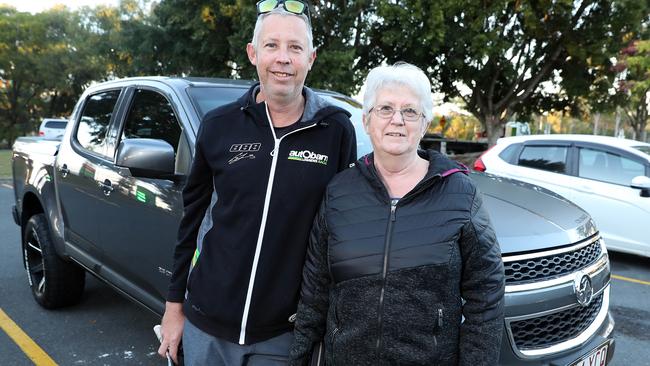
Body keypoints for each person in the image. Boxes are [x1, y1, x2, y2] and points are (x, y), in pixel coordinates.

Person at [157, 1, 357, 364]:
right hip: (207, 323)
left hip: (283, 333)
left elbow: (339, 234)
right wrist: (174, 309)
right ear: (253, 53)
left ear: (311, 58)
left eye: (295, 47)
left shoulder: (336, 130)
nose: (283, 58)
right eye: (272, 45)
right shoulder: (218, 125)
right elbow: (191, 222)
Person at [289, 62, 505, 365]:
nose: (397, 120)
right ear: (366, 121)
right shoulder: (339, 192)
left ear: (425, 124)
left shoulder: (460, 193)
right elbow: (315, 292)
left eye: (410, 111)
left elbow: (487, 295)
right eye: (385, 109)